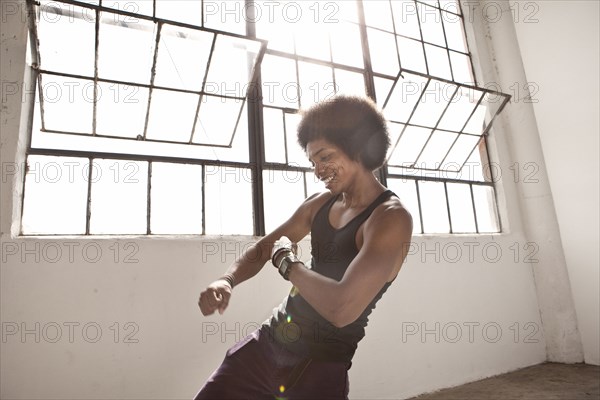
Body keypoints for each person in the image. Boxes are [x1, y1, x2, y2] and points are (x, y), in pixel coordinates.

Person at [195, 95, 413, 399]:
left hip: (319, 367)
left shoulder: (391, 219)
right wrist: (228, 279)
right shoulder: (319, 203)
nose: (318, 170)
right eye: (313, 162)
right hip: (266, 345)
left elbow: (342, 308)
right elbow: (265, 247)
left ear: (359, 146)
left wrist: (287, 263)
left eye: (325, 157)